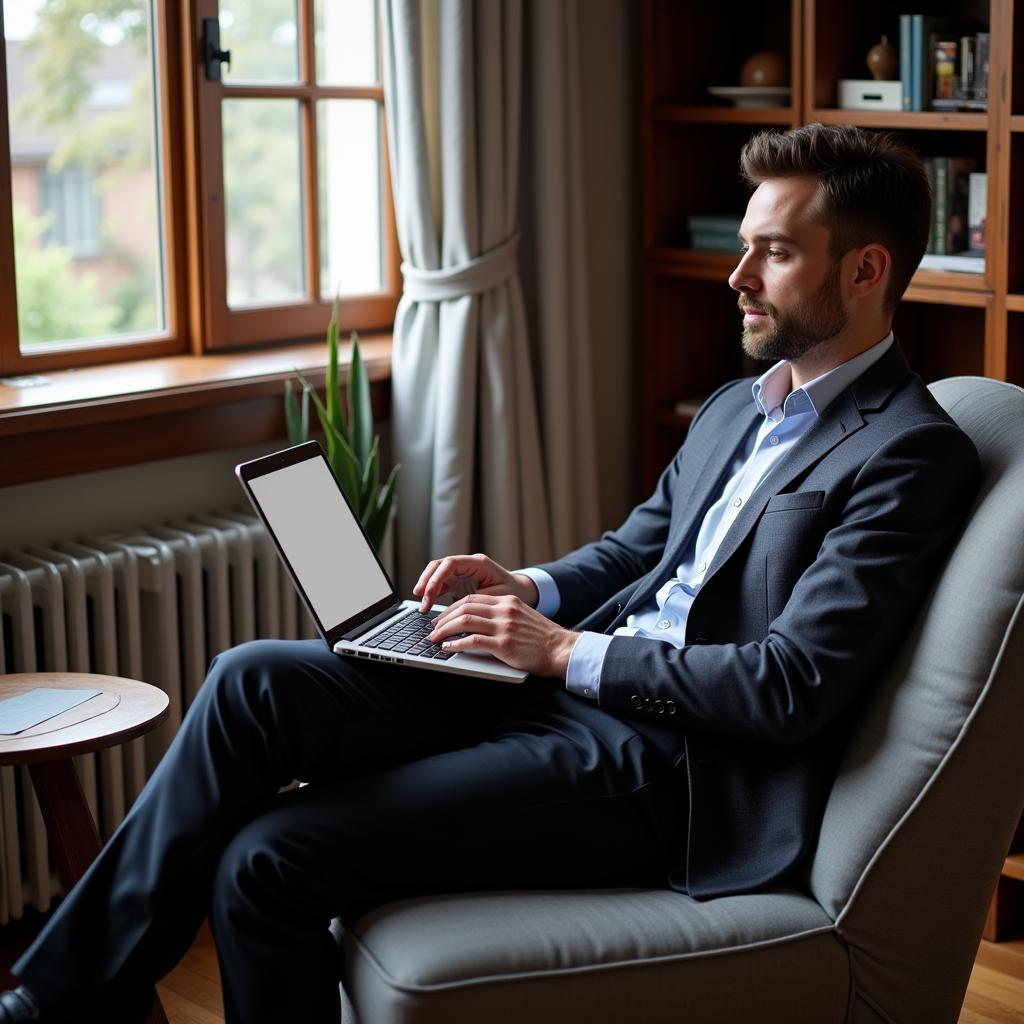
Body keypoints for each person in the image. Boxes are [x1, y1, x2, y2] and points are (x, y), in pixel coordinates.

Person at [0, 123, 980, 1024]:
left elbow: (790, 686)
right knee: (252, 679)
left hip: (670, 768)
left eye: (772, 251)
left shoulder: (906, 454)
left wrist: (563, 652)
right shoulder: (738, 404)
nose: (735, 277)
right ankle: (60, 1001)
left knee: (266, 859)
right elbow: (637, 550)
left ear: (864, 268)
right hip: (559, 690)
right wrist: (525, 588)